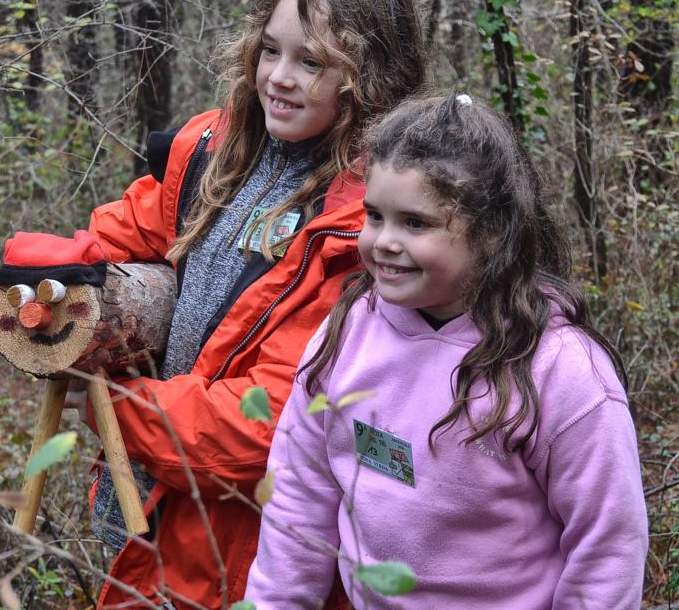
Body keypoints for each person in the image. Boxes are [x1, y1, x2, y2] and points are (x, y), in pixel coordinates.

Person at [65, 0, 429, 609]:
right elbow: (132, 226)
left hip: (250, 542)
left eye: (311, 62)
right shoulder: (222, 147)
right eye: (270, 51)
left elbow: (268, 422)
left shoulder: (369, 224)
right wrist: (44, 280)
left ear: (369, 77)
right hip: (147, 496)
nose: (279, 78)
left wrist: (115, 404)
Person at [245, 93, 649, 610]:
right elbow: (299, 499)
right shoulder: (347, 333)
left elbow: (607, 547)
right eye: (375, 216)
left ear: (491, 232)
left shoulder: (559, 370)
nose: (385, 241)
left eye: (415, 223)